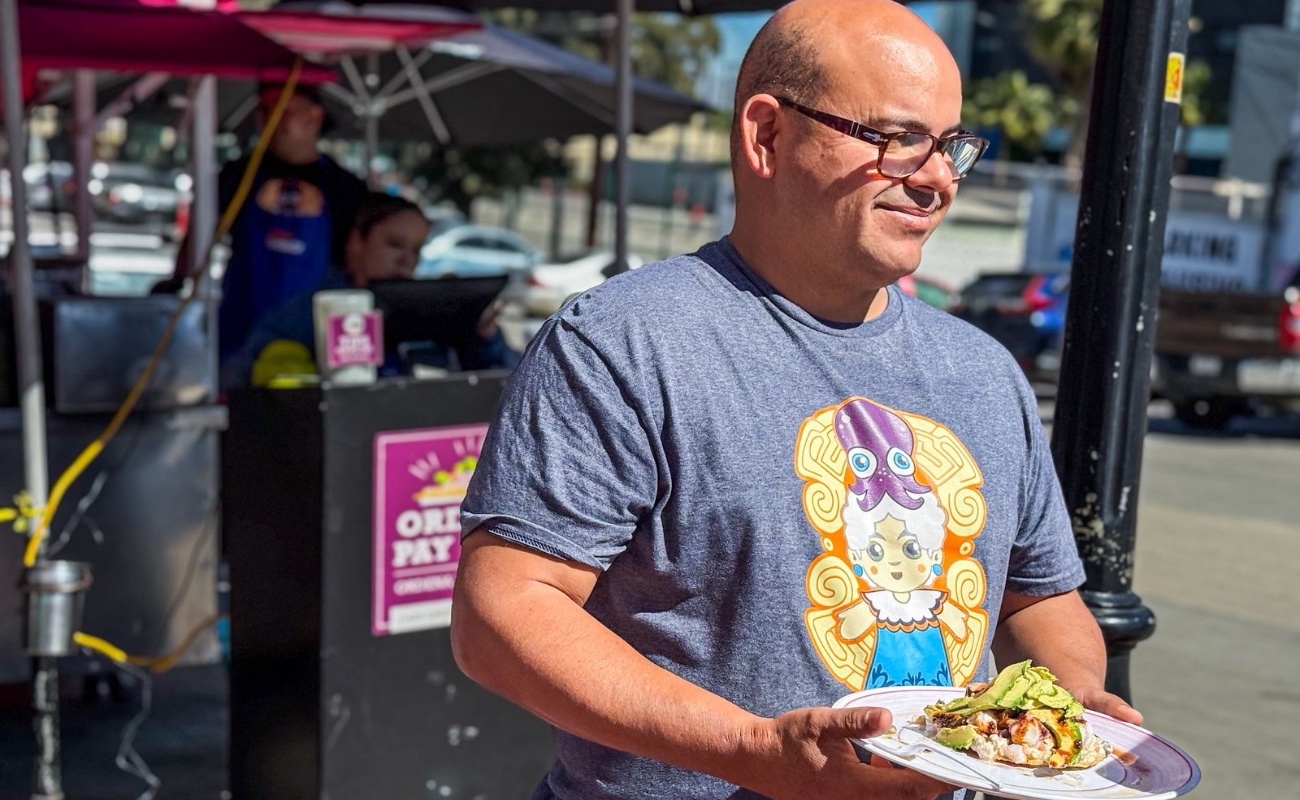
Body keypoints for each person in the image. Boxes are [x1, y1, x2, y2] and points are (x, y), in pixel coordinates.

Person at [450, 1, 1141, 799]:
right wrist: (751, 750)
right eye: (897, 138)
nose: (938, 178)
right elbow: (503, 613)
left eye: (951, 146)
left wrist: (1069, 704)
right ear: (768, 135)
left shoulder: (984, 372)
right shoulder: (621, 343)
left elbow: (1037, 599)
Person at [223, 191, 516, 388]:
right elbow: (257, 376)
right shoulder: (306, 312)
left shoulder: (434, 307)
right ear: (356, 241)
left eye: (416, 250)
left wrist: (485, 337)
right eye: (394, 244)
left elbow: (509, 375)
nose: (406, 260)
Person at [169, 82, 367, 361]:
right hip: (241, 331)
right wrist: (175, 284)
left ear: (315, 116)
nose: (271, 119)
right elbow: (198, 239)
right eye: (264, 110)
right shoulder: (238, 175)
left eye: (284, 110)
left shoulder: (345, 187)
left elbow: (358, 261)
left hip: (315, 333)